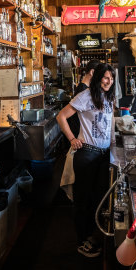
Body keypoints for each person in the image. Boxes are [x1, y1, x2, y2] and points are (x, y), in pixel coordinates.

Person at [56, 64, 115, 258]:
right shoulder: (86, 95)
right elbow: (61, 116)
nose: (109, 81)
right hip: (87, 153)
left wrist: (113, 143)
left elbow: (109, 125)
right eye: (106, 77)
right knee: (83, 200)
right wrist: (72, 139)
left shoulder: (108, 98)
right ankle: (82, 241)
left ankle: (91, 235)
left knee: (98, 199)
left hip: (103, 155)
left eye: (111, 78)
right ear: (98, 78)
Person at [68, 59, 100, 140]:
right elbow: (63, 116)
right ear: (92, 72)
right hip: (79, 134)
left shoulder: (84, 88)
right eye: (99, 74)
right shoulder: (83, 90)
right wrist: (72, 139)